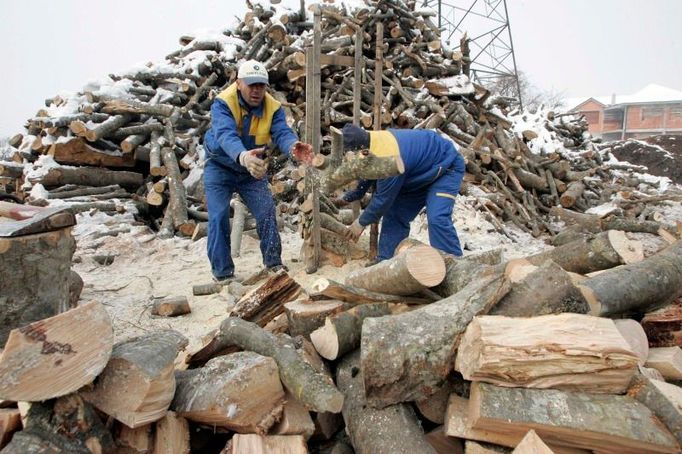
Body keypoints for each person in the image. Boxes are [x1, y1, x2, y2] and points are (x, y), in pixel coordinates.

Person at [202, 60, 312, 282]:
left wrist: (293, 146)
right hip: (220, 166)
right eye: (251, 85)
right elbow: (225, 135)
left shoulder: (273, 108)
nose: (256, 91)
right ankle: (222, 274)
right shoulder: (223, 103)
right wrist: (243, 156)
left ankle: (273, 264)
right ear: (238, 83)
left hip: (251, 170)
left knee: (266, 211)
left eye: (261, 86)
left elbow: (282, 132)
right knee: (218, 216)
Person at [340, 123, 466, 261]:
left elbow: (382, 201)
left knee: (437, 218)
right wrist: (358, 192)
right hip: (419, 173)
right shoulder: (371, 141)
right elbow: (370, 169)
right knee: (395, 213)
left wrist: (360, 224)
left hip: (446, 168)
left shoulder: (388, 158)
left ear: (360, 149)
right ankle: (387, 262)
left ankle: (454, 263)